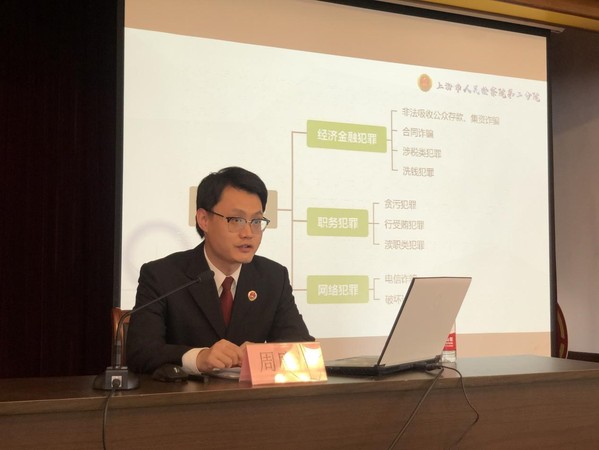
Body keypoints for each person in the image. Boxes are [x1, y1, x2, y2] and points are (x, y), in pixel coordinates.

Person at [126, 166, 313, 374]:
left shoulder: (273, 277)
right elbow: (140, 352)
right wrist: (199, 357)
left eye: (256, 221)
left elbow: (303, 349)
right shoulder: (162, 276)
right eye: (236, 220)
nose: (248, 233)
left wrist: (262, 352)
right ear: (204, 220)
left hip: (250, 395)